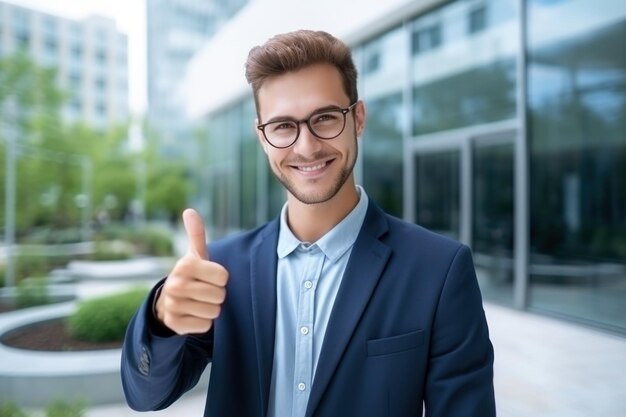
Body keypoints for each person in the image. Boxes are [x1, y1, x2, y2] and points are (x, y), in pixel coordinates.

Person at [121, 30, 496, 417]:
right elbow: (146, 396)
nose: (306, 146)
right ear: (262, 137)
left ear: (359, 119)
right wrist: (162, 317)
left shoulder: (438, 270)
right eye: (283, 126)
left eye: (326, 118)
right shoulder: (221, 269)